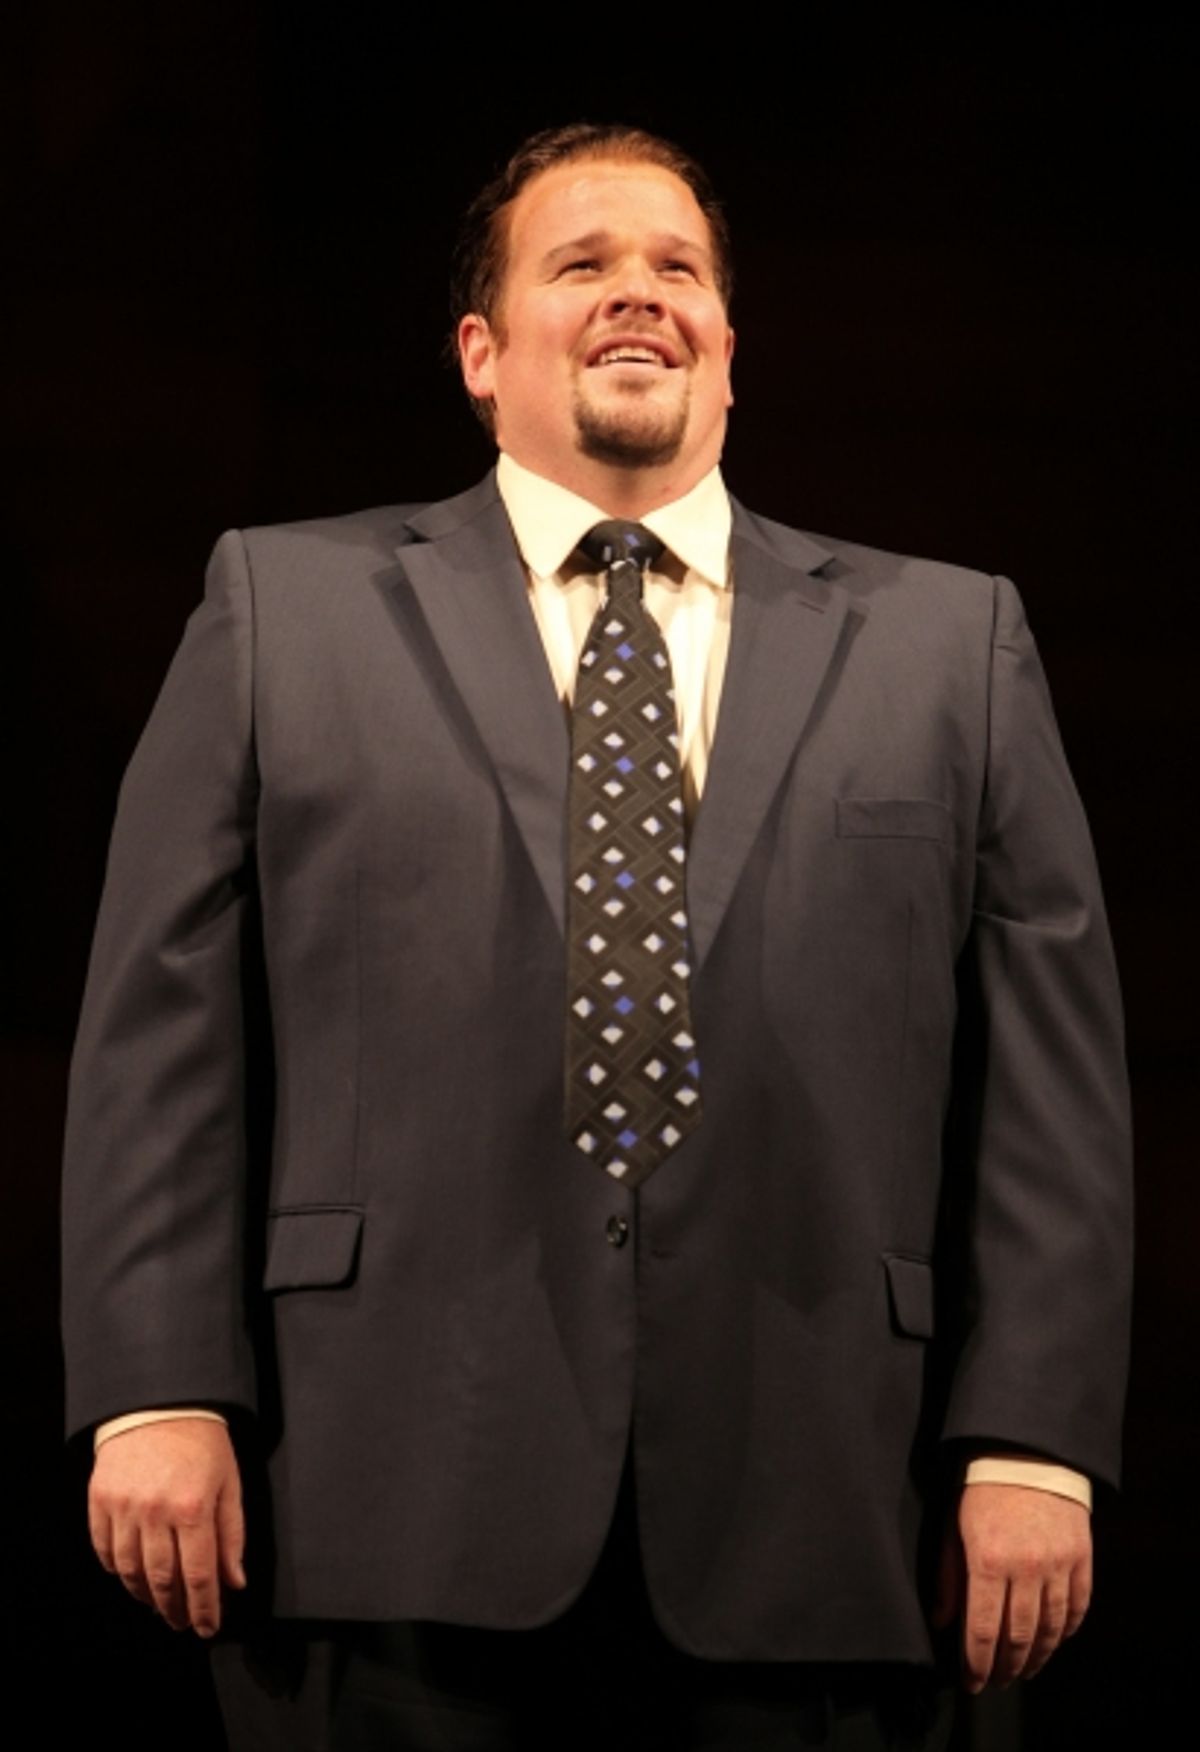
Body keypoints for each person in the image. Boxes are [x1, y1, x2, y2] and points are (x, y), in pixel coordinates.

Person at [63, 123, 1132, 1750]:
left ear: (727, 353)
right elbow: (161, 1026)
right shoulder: (282, 609)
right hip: (375, 1496)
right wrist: (159, 1389)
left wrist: (1033, 1443)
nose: (640, 292)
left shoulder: (950, 641)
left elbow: (1050, 1090)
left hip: (830, 1504)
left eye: (679, 268)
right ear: (481, 355)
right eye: (583, 264)